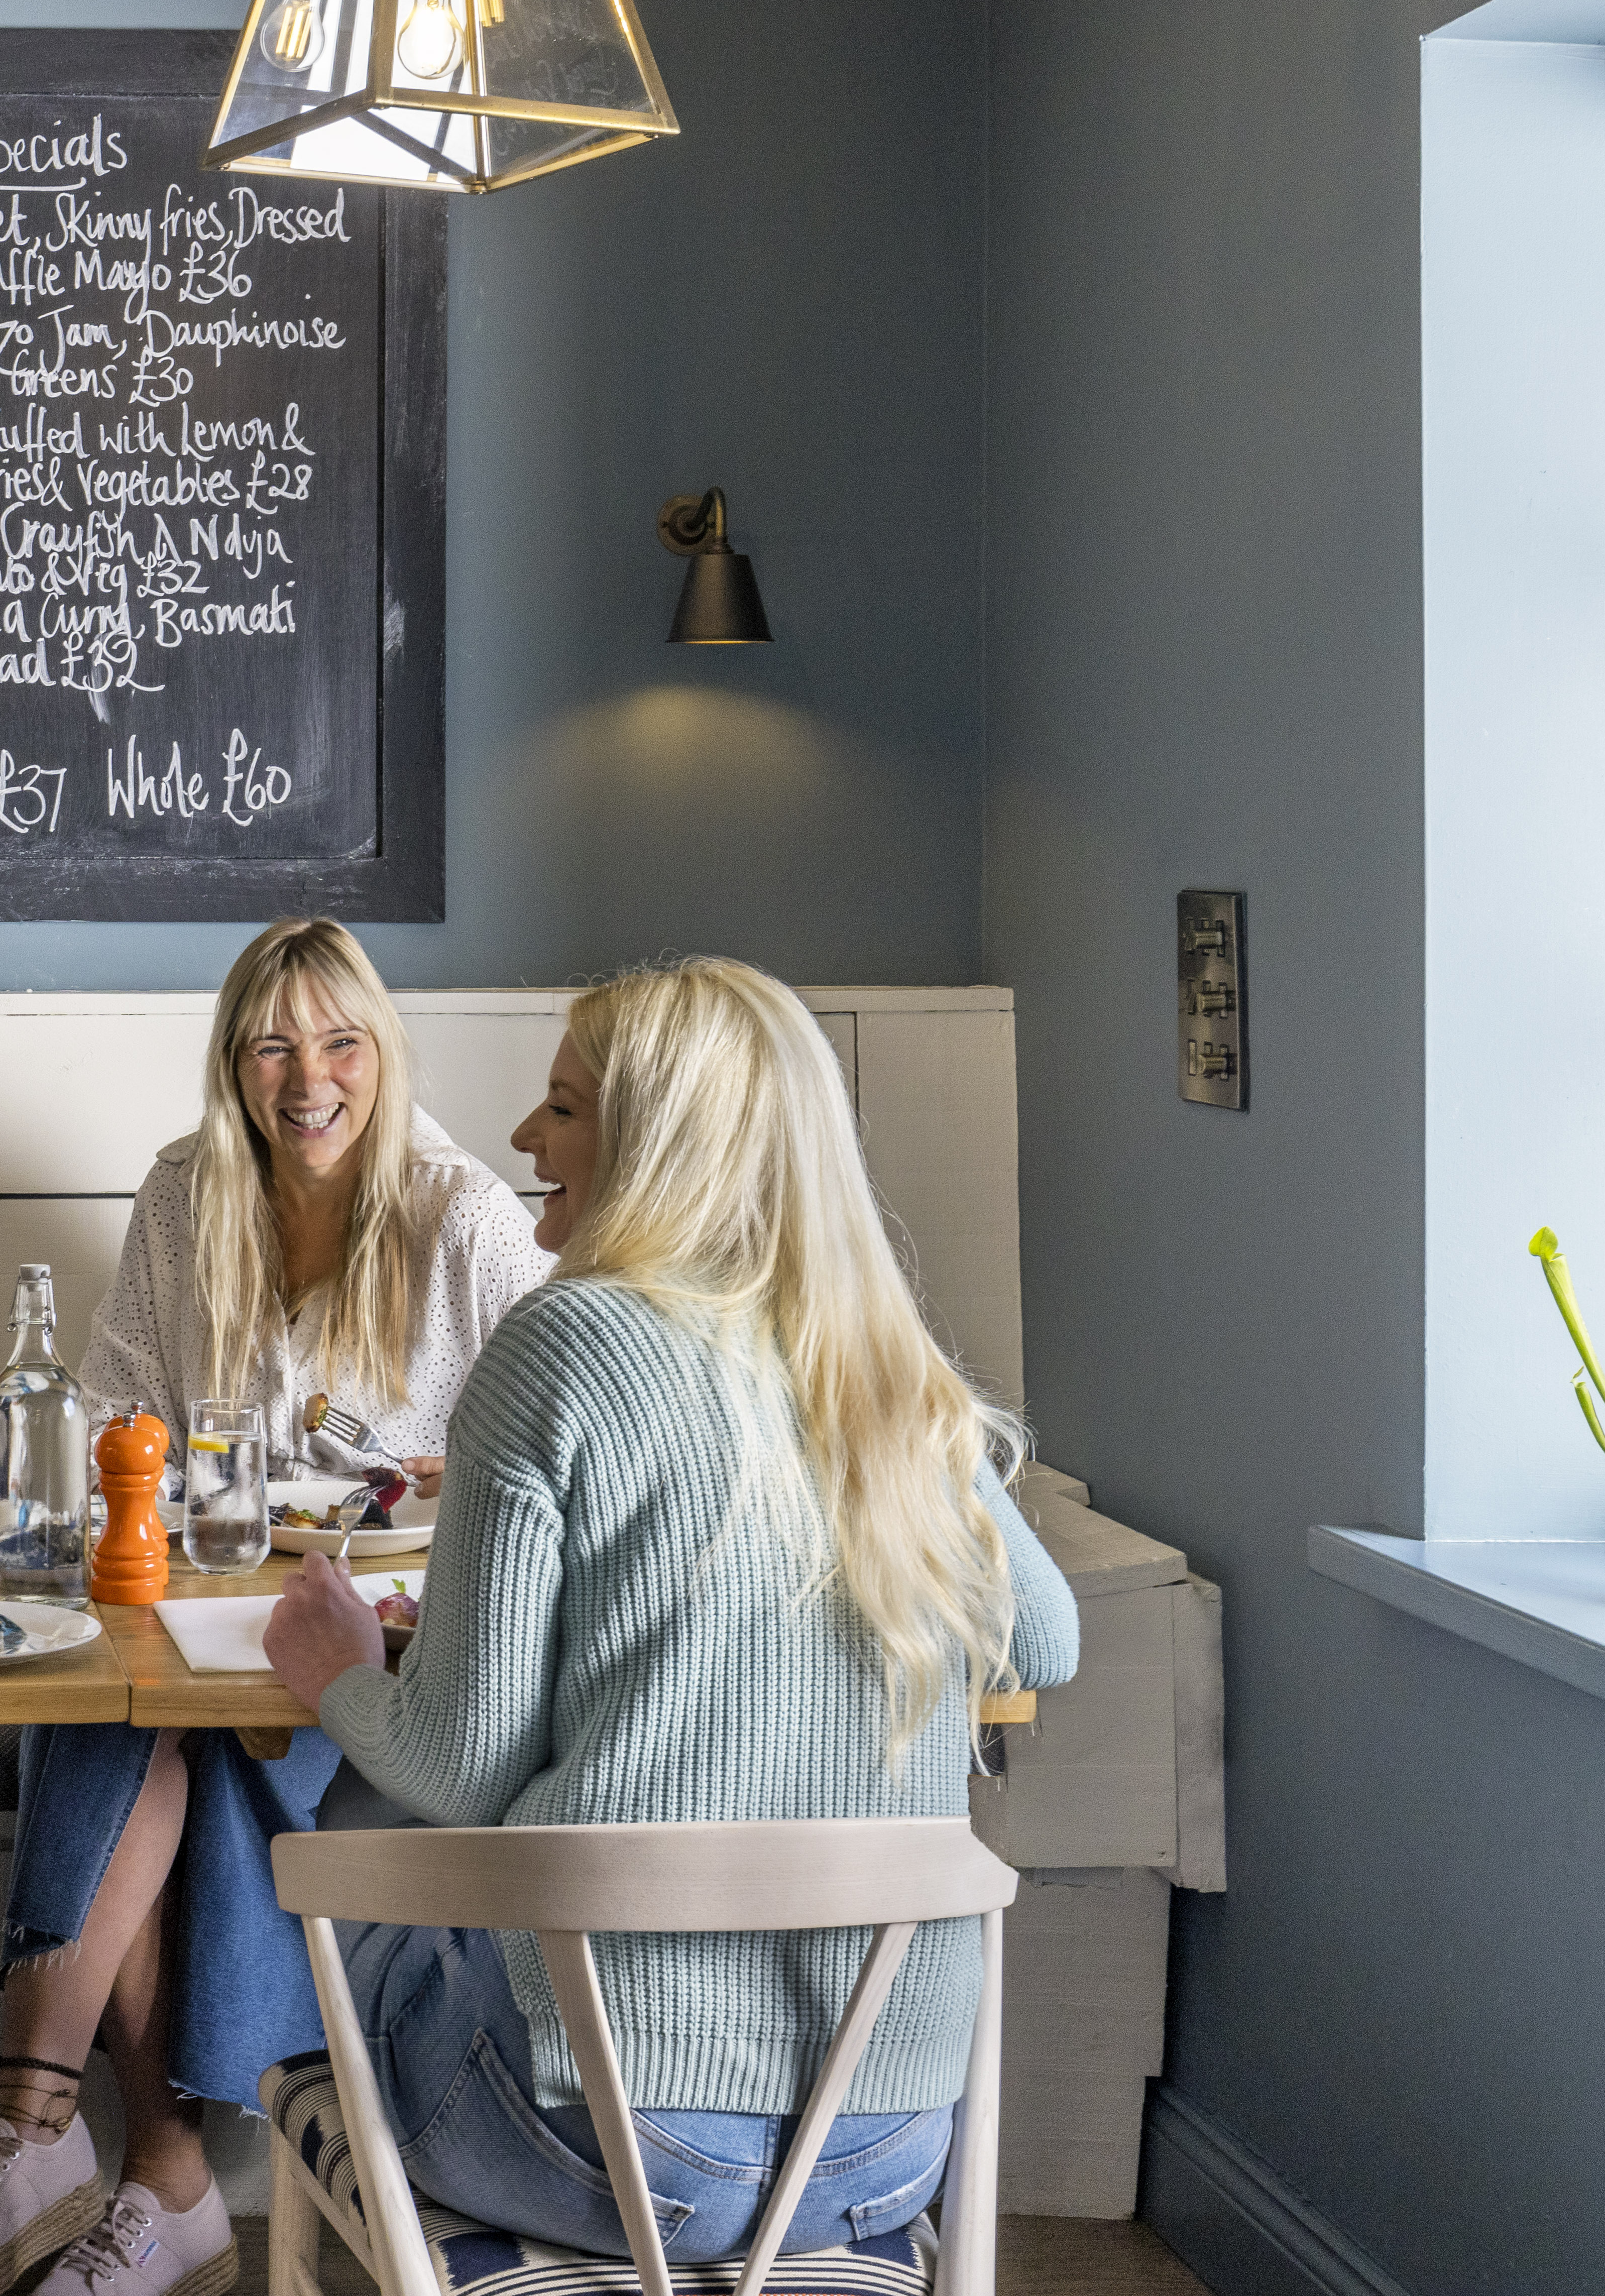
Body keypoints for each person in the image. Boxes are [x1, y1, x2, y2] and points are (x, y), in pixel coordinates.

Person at [262, 957, 1081, 2265]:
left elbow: (460, 1770)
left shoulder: (562, 1346)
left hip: (608, 2149)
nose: (527, 1137)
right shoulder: (883, 1361)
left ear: (662, 1144)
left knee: (342, 1849)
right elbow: (1047, 1642)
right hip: (883, 2152)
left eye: (566, 1108)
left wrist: (340, 1672)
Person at [0, 919, 547, 2296]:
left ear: (381, 1053)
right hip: (200, 1617)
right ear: (236, 1066)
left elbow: (562, 1421)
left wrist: (457, 1466)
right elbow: (119, 1414)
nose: (308, 1079)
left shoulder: (465, 1217)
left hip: (385, 1649)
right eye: (272, 1048)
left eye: (339, 1044)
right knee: (105, 1700)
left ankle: (78, 2145)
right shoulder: (186, 1197)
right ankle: (111, 2162)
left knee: (135, 1731)